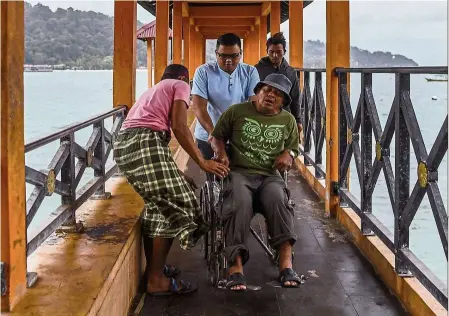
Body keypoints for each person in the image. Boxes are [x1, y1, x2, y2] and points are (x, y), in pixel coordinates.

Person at [113, 64, 229, 296]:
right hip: (143, 141)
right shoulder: (181, 85)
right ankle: (157, 280)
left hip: (126, 146)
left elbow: (156, 146)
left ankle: (155, 271)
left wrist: (177, 172)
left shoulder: (155, 90)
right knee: (175, 201)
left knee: (159, 207)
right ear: (185, 78)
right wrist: (203, 163)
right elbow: (179, 126)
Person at [209, 73, 301, 291]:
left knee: (279, 199)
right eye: (267, 90)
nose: (271, 95)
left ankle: (286, 264)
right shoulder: (237, 111)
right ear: (257, 91)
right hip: (239, 172)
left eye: (277, 94)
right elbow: (216, 137)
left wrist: (289, 155)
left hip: (269, 175)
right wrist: (221, 152)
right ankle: (235, 265)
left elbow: (293, 149)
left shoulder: (287, 120)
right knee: (239, 201)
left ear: (283, 102)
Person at [191, 32, 260, 160]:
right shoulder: (203, 72)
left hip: (239, 136)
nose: (228, 61)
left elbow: (254, 105)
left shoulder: (250, 72)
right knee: (214, 177)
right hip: (208, 134)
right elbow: (199, 108)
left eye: (234, 56)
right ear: (216, 53)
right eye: (223, 56)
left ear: (241, 53)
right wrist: (214, 135)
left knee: (239, 177)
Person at [255, 32, 302, 136]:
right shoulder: (257, 70)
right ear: (267, 51)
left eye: (279, 52)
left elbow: (295, 98)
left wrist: (298, 120)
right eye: (271, 52)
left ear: (284, 51)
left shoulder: (291, 72)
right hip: (262, 117)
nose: (275, 55)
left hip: (284, 117)